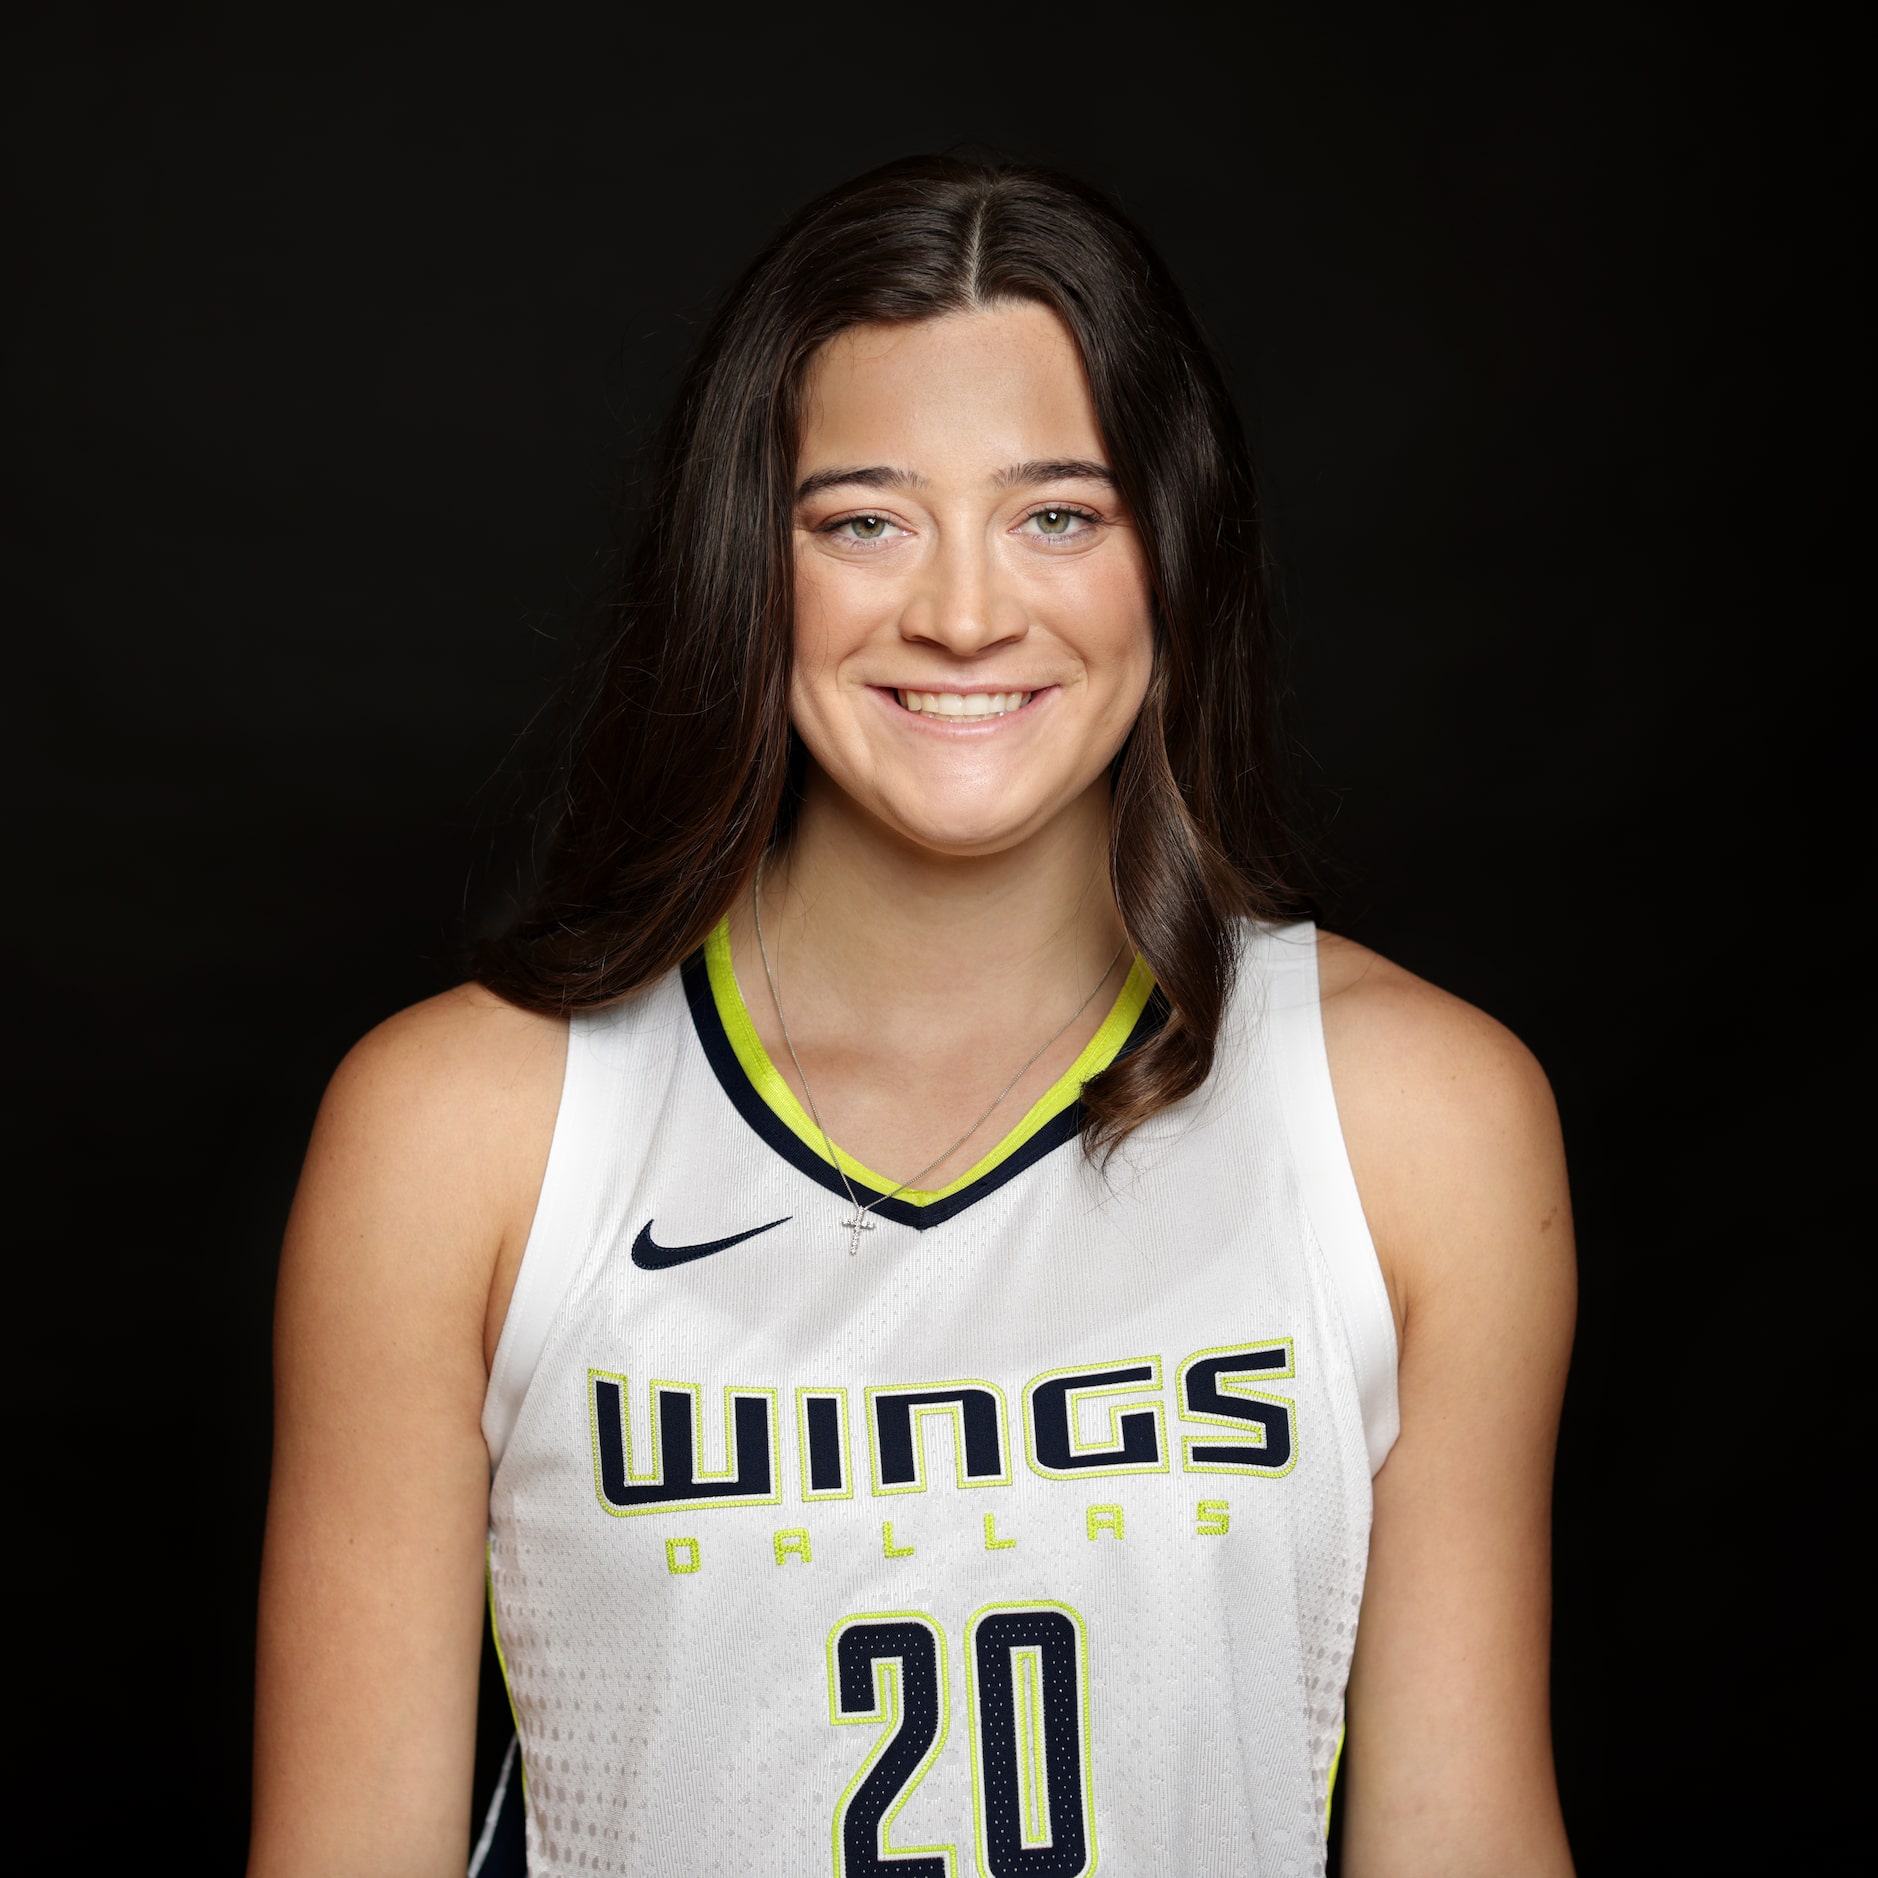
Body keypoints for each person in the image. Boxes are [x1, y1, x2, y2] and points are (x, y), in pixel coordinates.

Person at [249, 156, 1577, 1877]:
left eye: (1058, 514)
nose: (961, 612)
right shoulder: (465, 1126)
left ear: (1172, 550)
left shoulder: (1415, 1119)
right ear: (749, 556)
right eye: (863, 518)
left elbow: (1459, 1836)